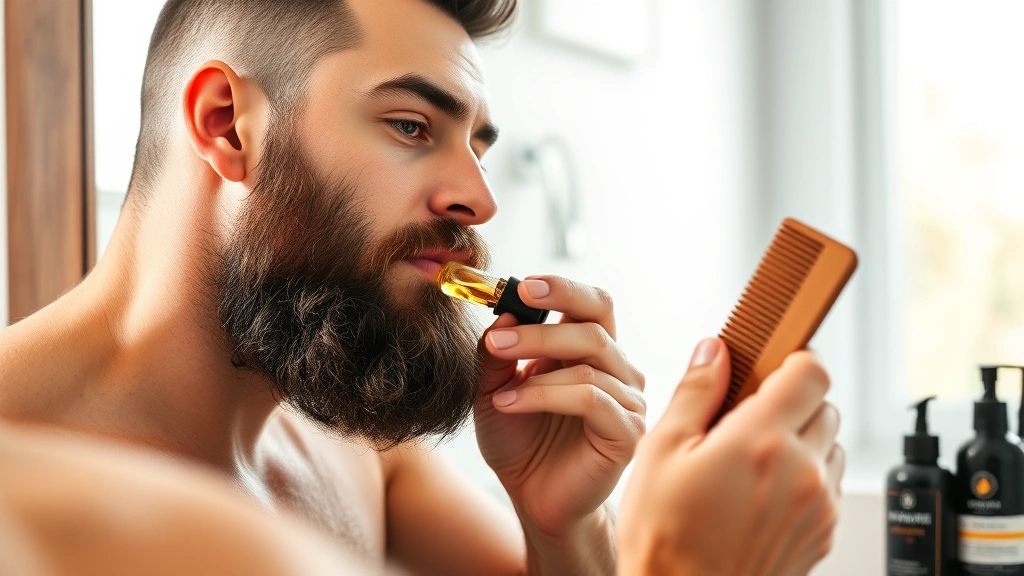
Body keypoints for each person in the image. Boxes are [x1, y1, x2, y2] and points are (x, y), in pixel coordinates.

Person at [0, 0, 843, 573]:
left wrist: (564, 528)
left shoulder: (362, 457)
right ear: (227, 126)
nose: (479, 197)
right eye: (411, 125)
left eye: (476, 143)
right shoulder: (18, 481)